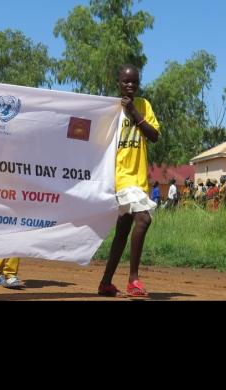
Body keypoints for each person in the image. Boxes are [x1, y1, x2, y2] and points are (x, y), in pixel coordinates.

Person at [97, 65, 160, 298]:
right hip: (121, 176)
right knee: (144, 219)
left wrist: (134, 112)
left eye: (134, 81)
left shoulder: (143, 105)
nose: (130, 85)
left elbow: (154, 136)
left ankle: (105, 283)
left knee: (123, 231)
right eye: (126, 81)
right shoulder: (111, 109)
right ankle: (133, 280)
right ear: (118, 83)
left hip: (139, 178)